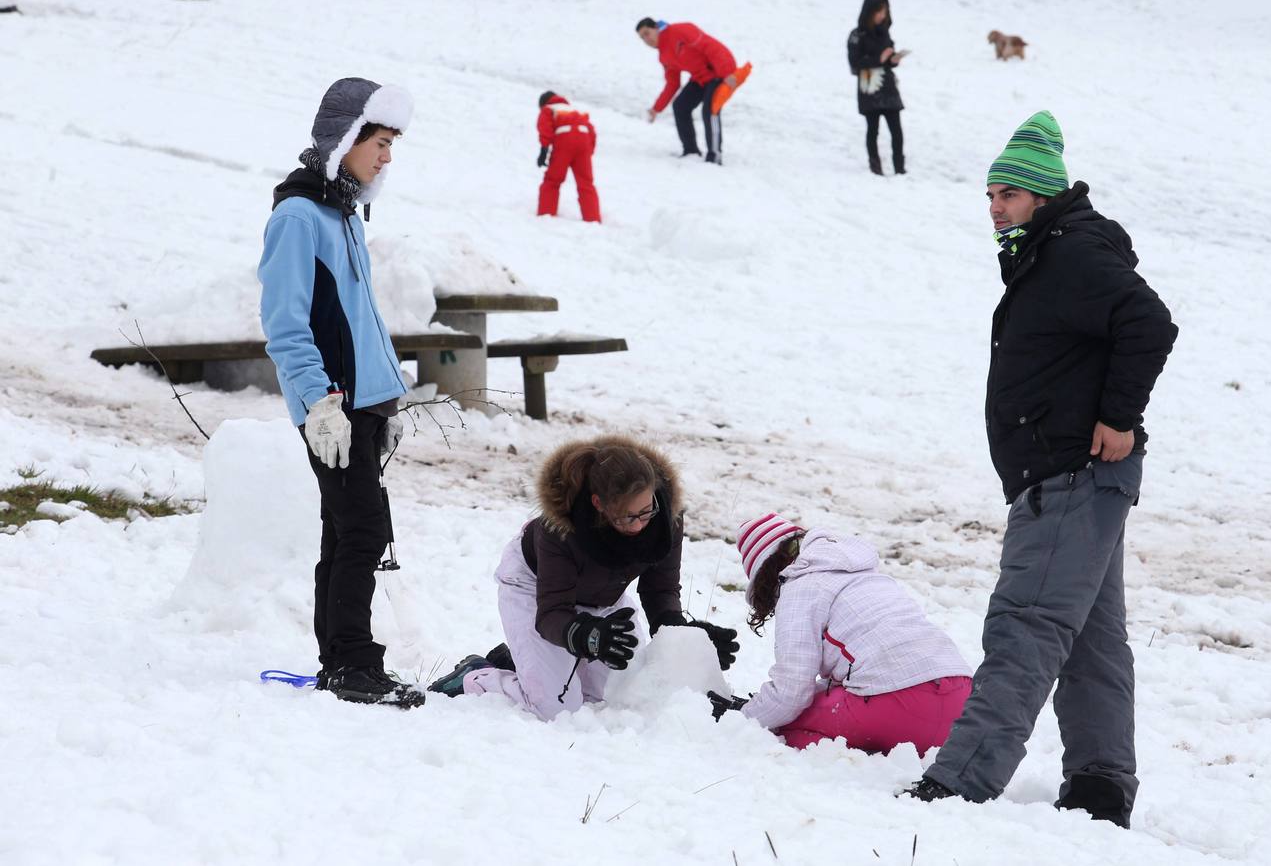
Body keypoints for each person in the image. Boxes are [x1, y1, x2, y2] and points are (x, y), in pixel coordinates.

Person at [905, 112, 1178, 828]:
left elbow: (1150, 324)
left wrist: (1118, 418)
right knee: (1088, 638)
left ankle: (959, 785)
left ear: (1043, 195)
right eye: (990, 194)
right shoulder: (1052, 251)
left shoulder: (1071, 253)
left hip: (1070, 473)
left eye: (1010, 194)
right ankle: (1100, 787)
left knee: (1024, 625)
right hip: (1071, 475)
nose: (996, 207)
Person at [257, 77, 423, 709]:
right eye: (378, 142)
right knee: (362, 532)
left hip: (366, 403)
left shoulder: (342, 213)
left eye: (390, 144)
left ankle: (341, 661)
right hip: (334, 405)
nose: (386, 158)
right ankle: (352, 663)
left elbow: (360, 315)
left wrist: (390, 396)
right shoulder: (298, 216)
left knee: (346, 531)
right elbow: (286, 322)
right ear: (346, 138)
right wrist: (318, 403)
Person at [429, 436, 740, 720]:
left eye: (647, 511)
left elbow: (660, 588)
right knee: (557, 709)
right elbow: (552, 612)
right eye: (628, 517)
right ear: (599, 505)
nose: (640, 525)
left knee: (617, 696)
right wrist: (588, 637)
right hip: (535, 590)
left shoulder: (665, 518)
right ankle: (477, 675)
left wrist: (685, 639)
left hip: (603, 598)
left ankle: (524, 662)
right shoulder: (560, 531)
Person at [709, 514, 972, 755]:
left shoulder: (800, 585)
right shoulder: (868, 575)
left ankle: (860, 753)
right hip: (960, 709)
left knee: (785, 724)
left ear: (767, 576)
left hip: (900, 708)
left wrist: (742, 716)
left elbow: (791, 694)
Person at [635, 17, 739, 165]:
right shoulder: (664, 56)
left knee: (710, 110)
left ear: (656, 28)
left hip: (718, 72)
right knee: (680, 106)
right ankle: (690, 150)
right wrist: (656, 109)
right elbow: (672, 84)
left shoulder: (681, 30)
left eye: (647, 33)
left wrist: (727, 72)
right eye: (642, 38)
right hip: (700, 78)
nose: (646, 39)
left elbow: (711, 47)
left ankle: (714, 155)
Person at [847, 0, 906, 176]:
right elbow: (854, 63)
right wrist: (878, 60)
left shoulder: (885, 33)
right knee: (873, 128)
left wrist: (893, 60)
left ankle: (899, 167)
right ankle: (875, 166)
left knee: (896, 129)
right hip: (869, 86)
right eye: (879, 11)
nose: (882, 15)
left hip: (887, 85)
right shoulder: (857, 35)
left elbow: (887, 60)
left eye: (885, 11)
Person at [536, 91, 601, 224]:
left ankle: (546, 214)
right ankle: (593, 218)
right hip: (584, 141)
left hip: (564, 140)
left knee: (553, 179)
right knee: (586, 183)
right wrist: (588, 153)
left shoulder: (548, 109)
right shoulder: (574, 111)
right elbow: (592, 132)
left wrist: (544, 150)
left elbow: (545, 128)